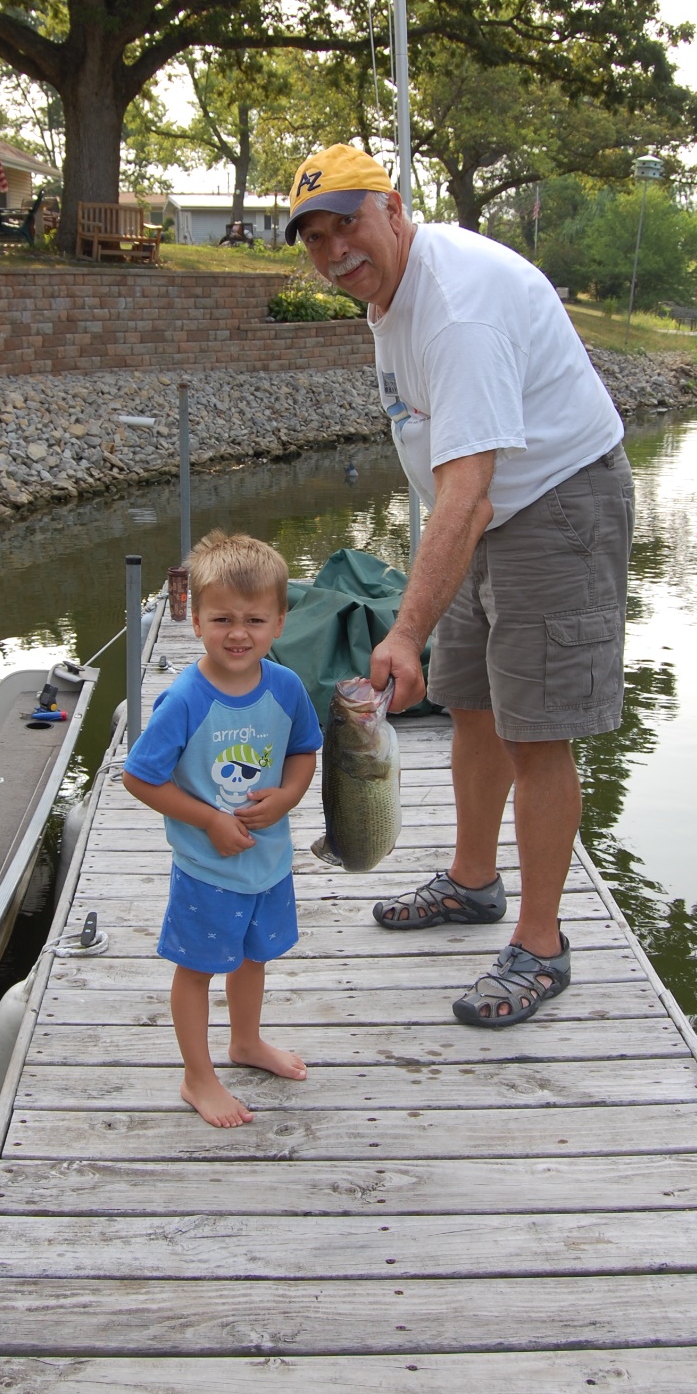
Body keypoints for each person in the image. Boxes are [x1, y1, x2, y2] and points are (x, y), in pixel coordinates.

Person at [285, 143, 634, 1029]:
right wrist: (421, 617)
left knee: (538, 727)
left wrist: (402, 633)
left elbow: (469, 485)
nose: (334, 253)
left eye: (348, 225)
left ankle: (542, 946)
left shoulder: (458, 310)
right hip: (487, 510)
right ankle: (473, 883)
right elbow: (457, 486)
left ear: (394, 208)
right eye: (314, 238)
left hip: (557, 501)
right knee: (472, 700)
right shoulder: (388, 291)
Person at [122, 530, 322, 1126]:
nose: (239, 633)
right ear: (196, 620)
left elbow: (304, 751)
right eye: (223, 618)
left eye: (255, 619)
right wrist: (209, 818)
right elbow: (140, 778)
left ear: (280, 622)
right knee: (198, 968)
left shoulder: (284, 687)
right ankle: (197, 1076)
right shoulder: (185, 698)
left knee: (252, 958)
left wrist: (288, 796)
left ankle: (246, 1042)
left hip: (267, 861)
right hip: (207, 870)